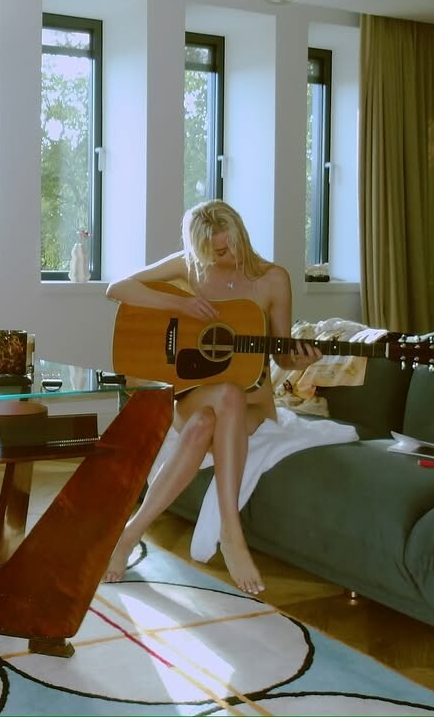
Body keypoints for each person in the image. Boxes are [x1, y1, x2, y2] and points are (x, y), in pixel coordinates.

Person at [103, 199, 322, 595]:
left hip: (253, 402)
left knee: (218, 410)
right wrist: (180, 302)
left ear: (241, 233)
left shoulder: (274, 279)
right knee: (221, 399)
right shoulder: (192, 267)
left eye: (231, 244)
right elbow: (118, 289)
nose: (227, 256)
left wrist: (299, 361)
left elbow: (282, 354)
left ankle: (130, 534)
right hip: (195, 395)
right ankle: (232, 536)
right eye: (216, 251)